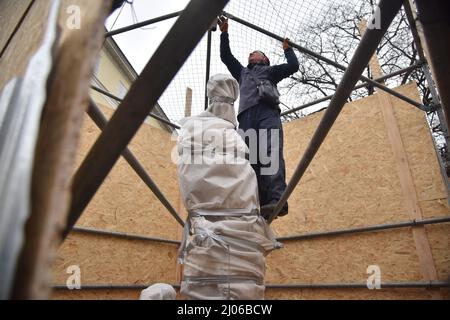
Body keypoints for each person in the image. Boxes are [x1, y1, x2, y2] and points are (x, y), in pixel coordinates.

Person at [218, 17, 299, 219]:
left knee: (270, 154)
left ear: (264, 59)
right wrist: (224, 33)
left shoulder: (271, 71)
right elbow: (226, 57)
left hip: (267, 113)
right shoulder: (242, 73)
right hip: (246, 117)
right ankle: (256, 202)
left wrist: (287, 49)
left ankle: (276, 199)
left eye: (254, 53)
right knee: (249, 160)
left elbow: (293, 66)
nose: (250, 54)